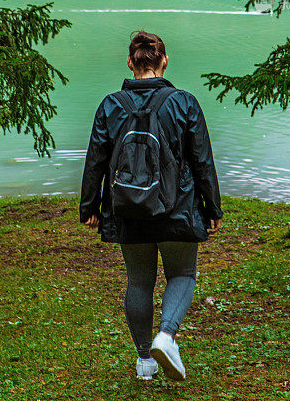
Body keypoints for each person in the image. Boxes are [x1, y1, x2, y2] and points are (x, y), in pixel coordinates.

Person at [79, 30, 223, 382]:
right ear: (164, 61)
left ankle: (145, 360)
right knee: (183, 274)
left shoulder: (110, 105)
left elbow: (95, 159)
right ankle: (166, 336)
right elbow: (202, 159)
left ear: (130, 63)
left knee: (139, 282)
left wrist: (90, 206)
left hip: (128, 208)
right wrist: (212, 206)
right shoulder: (184, 102)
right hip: (178, 207)